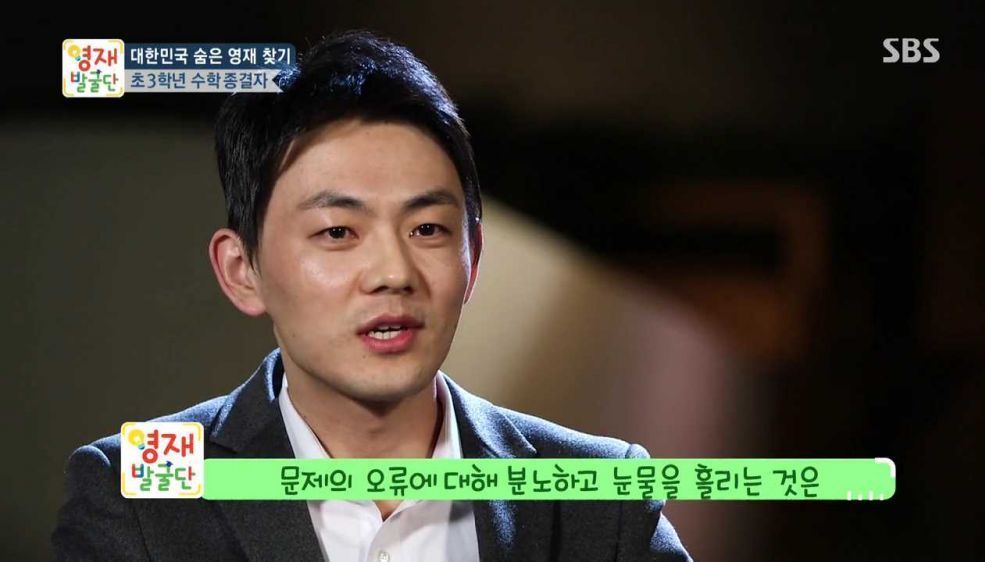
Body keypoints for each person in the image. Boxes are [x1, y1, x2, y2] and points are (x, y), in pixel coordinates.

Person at [52, 30, 692, 561]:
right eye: (338, 232)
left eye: (428, 229)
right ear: (242, 270)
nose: (393, 271)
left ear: (473, 259)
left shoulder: (601, 498)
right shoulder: (134, 495)